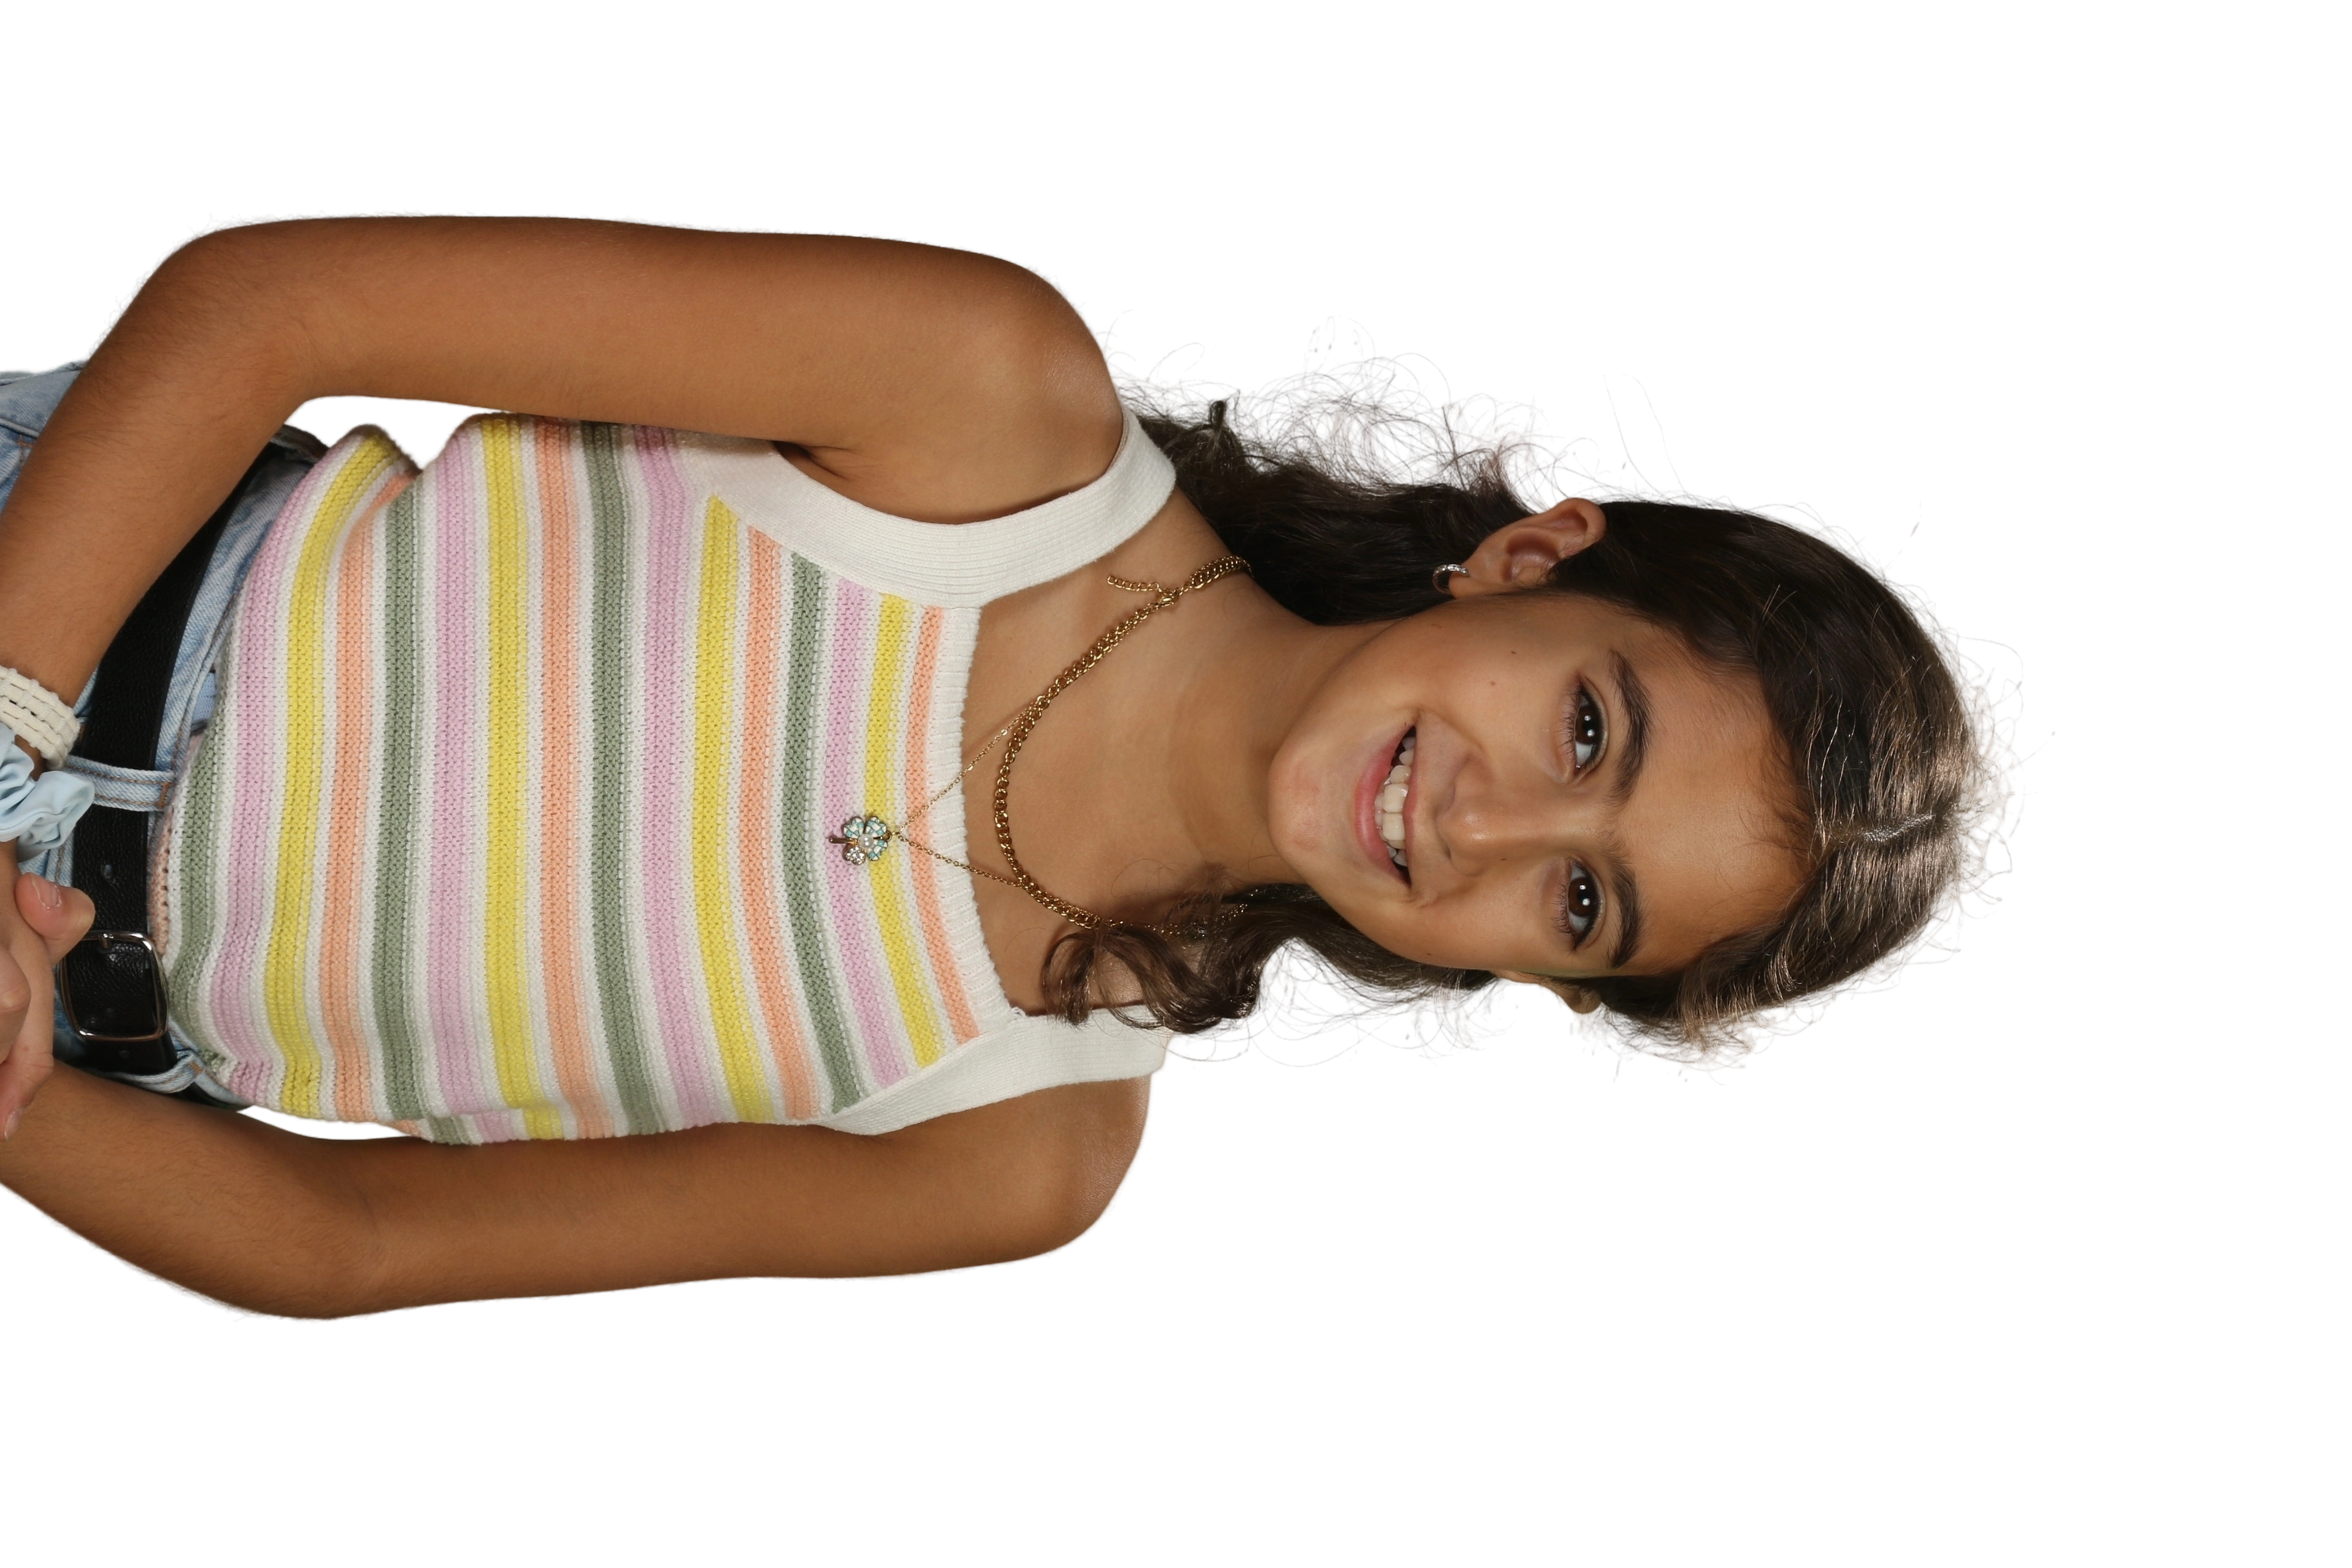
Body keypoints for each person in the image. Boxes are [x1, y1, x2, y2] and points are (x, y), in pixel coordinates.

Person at [0, 212, 2028, 1321]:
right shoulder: (988, 408)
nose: (1488, 822)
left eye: (1583, 900)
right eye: (1586, 725)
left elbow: (344, 1245)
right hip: (63, 575)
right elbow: (276, 302)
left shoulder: (1017, 1140)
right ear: (1534, 556)